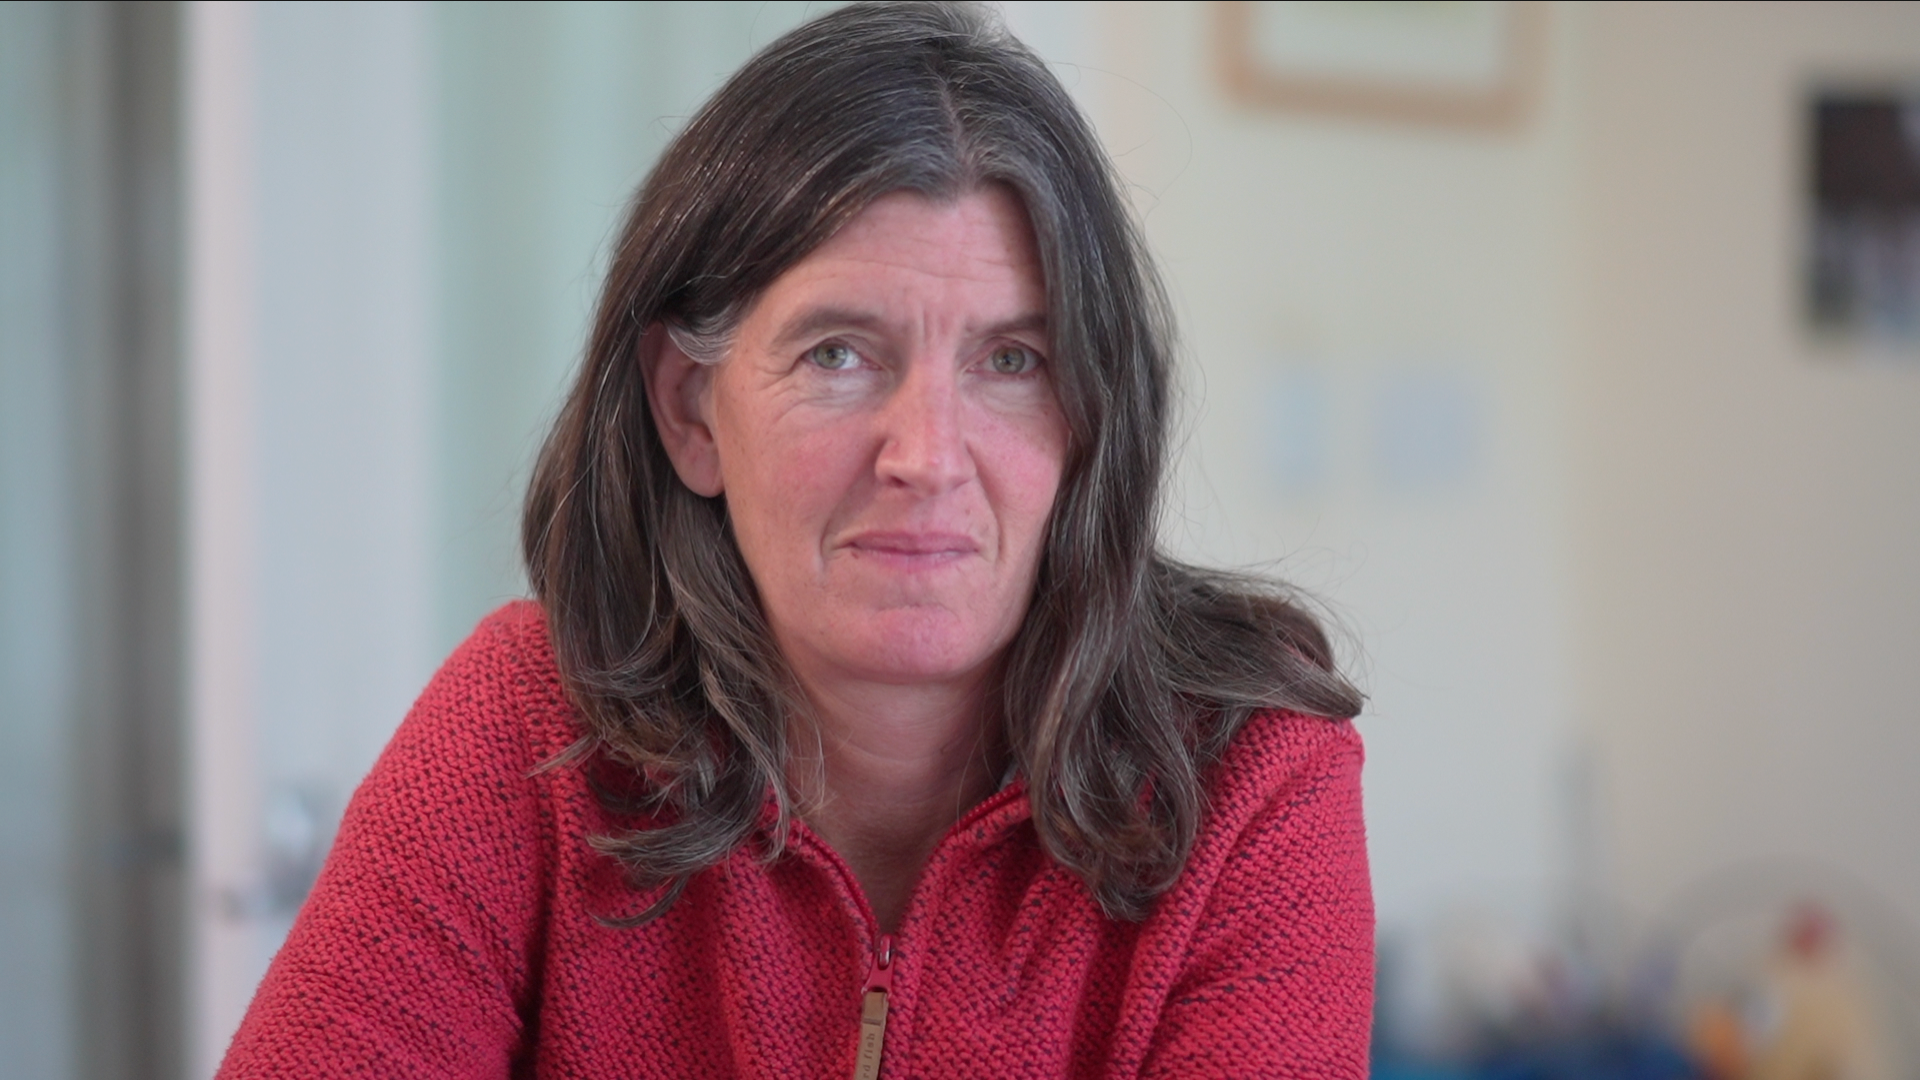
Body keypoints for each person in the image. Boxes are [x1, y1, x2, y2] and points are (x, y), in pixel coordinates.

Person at [216, 4, 1372, 1077]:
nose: (927, 452)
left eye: (1010, 361)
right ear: (689, 410)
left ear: (1090, 418)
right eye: (839, 354)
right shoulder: (524, 731)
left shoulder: (1250, 777)